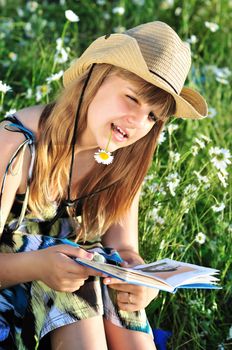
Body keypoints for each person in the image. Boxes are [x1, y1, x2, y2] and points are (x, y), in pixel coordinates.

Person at [0, 21, 207, 350]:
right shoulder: (17, 148)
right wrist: (38, 264)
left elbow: (125, 250)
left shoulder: (122, 159)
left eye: (153, 116)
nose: (139, 122)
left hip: (69, 281)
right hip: (11, 286)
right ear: (95, 79)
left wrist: (142, 281)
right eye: (132, 99)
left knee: (104, 270)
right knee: (76, 281)